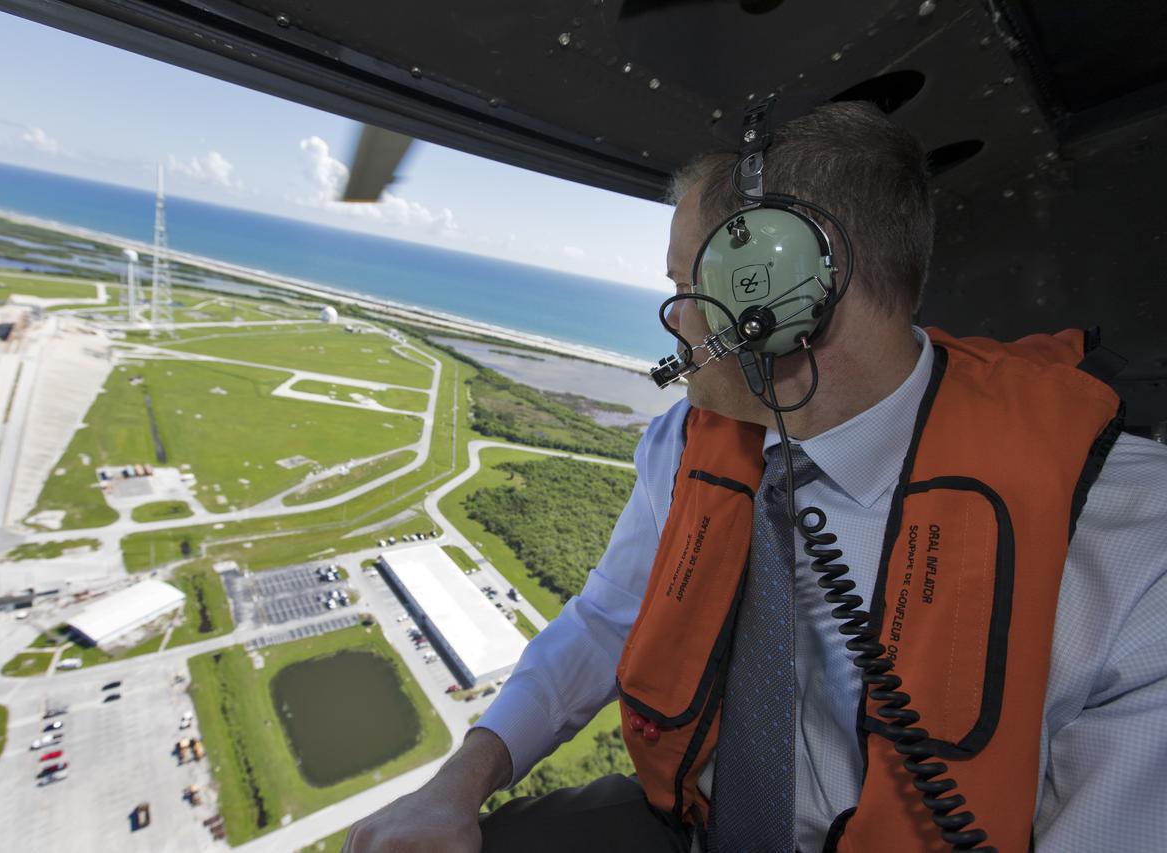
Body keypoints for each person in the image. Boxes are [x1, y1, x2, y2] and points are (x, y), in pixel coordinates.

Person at [343, 102, 1167, 853]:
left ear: (778, 287)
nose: (673, 316)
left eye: (682, 285)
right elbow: (606, 620)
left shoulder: (1130, 545)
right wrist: (458, 783)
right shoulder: (685, 442)